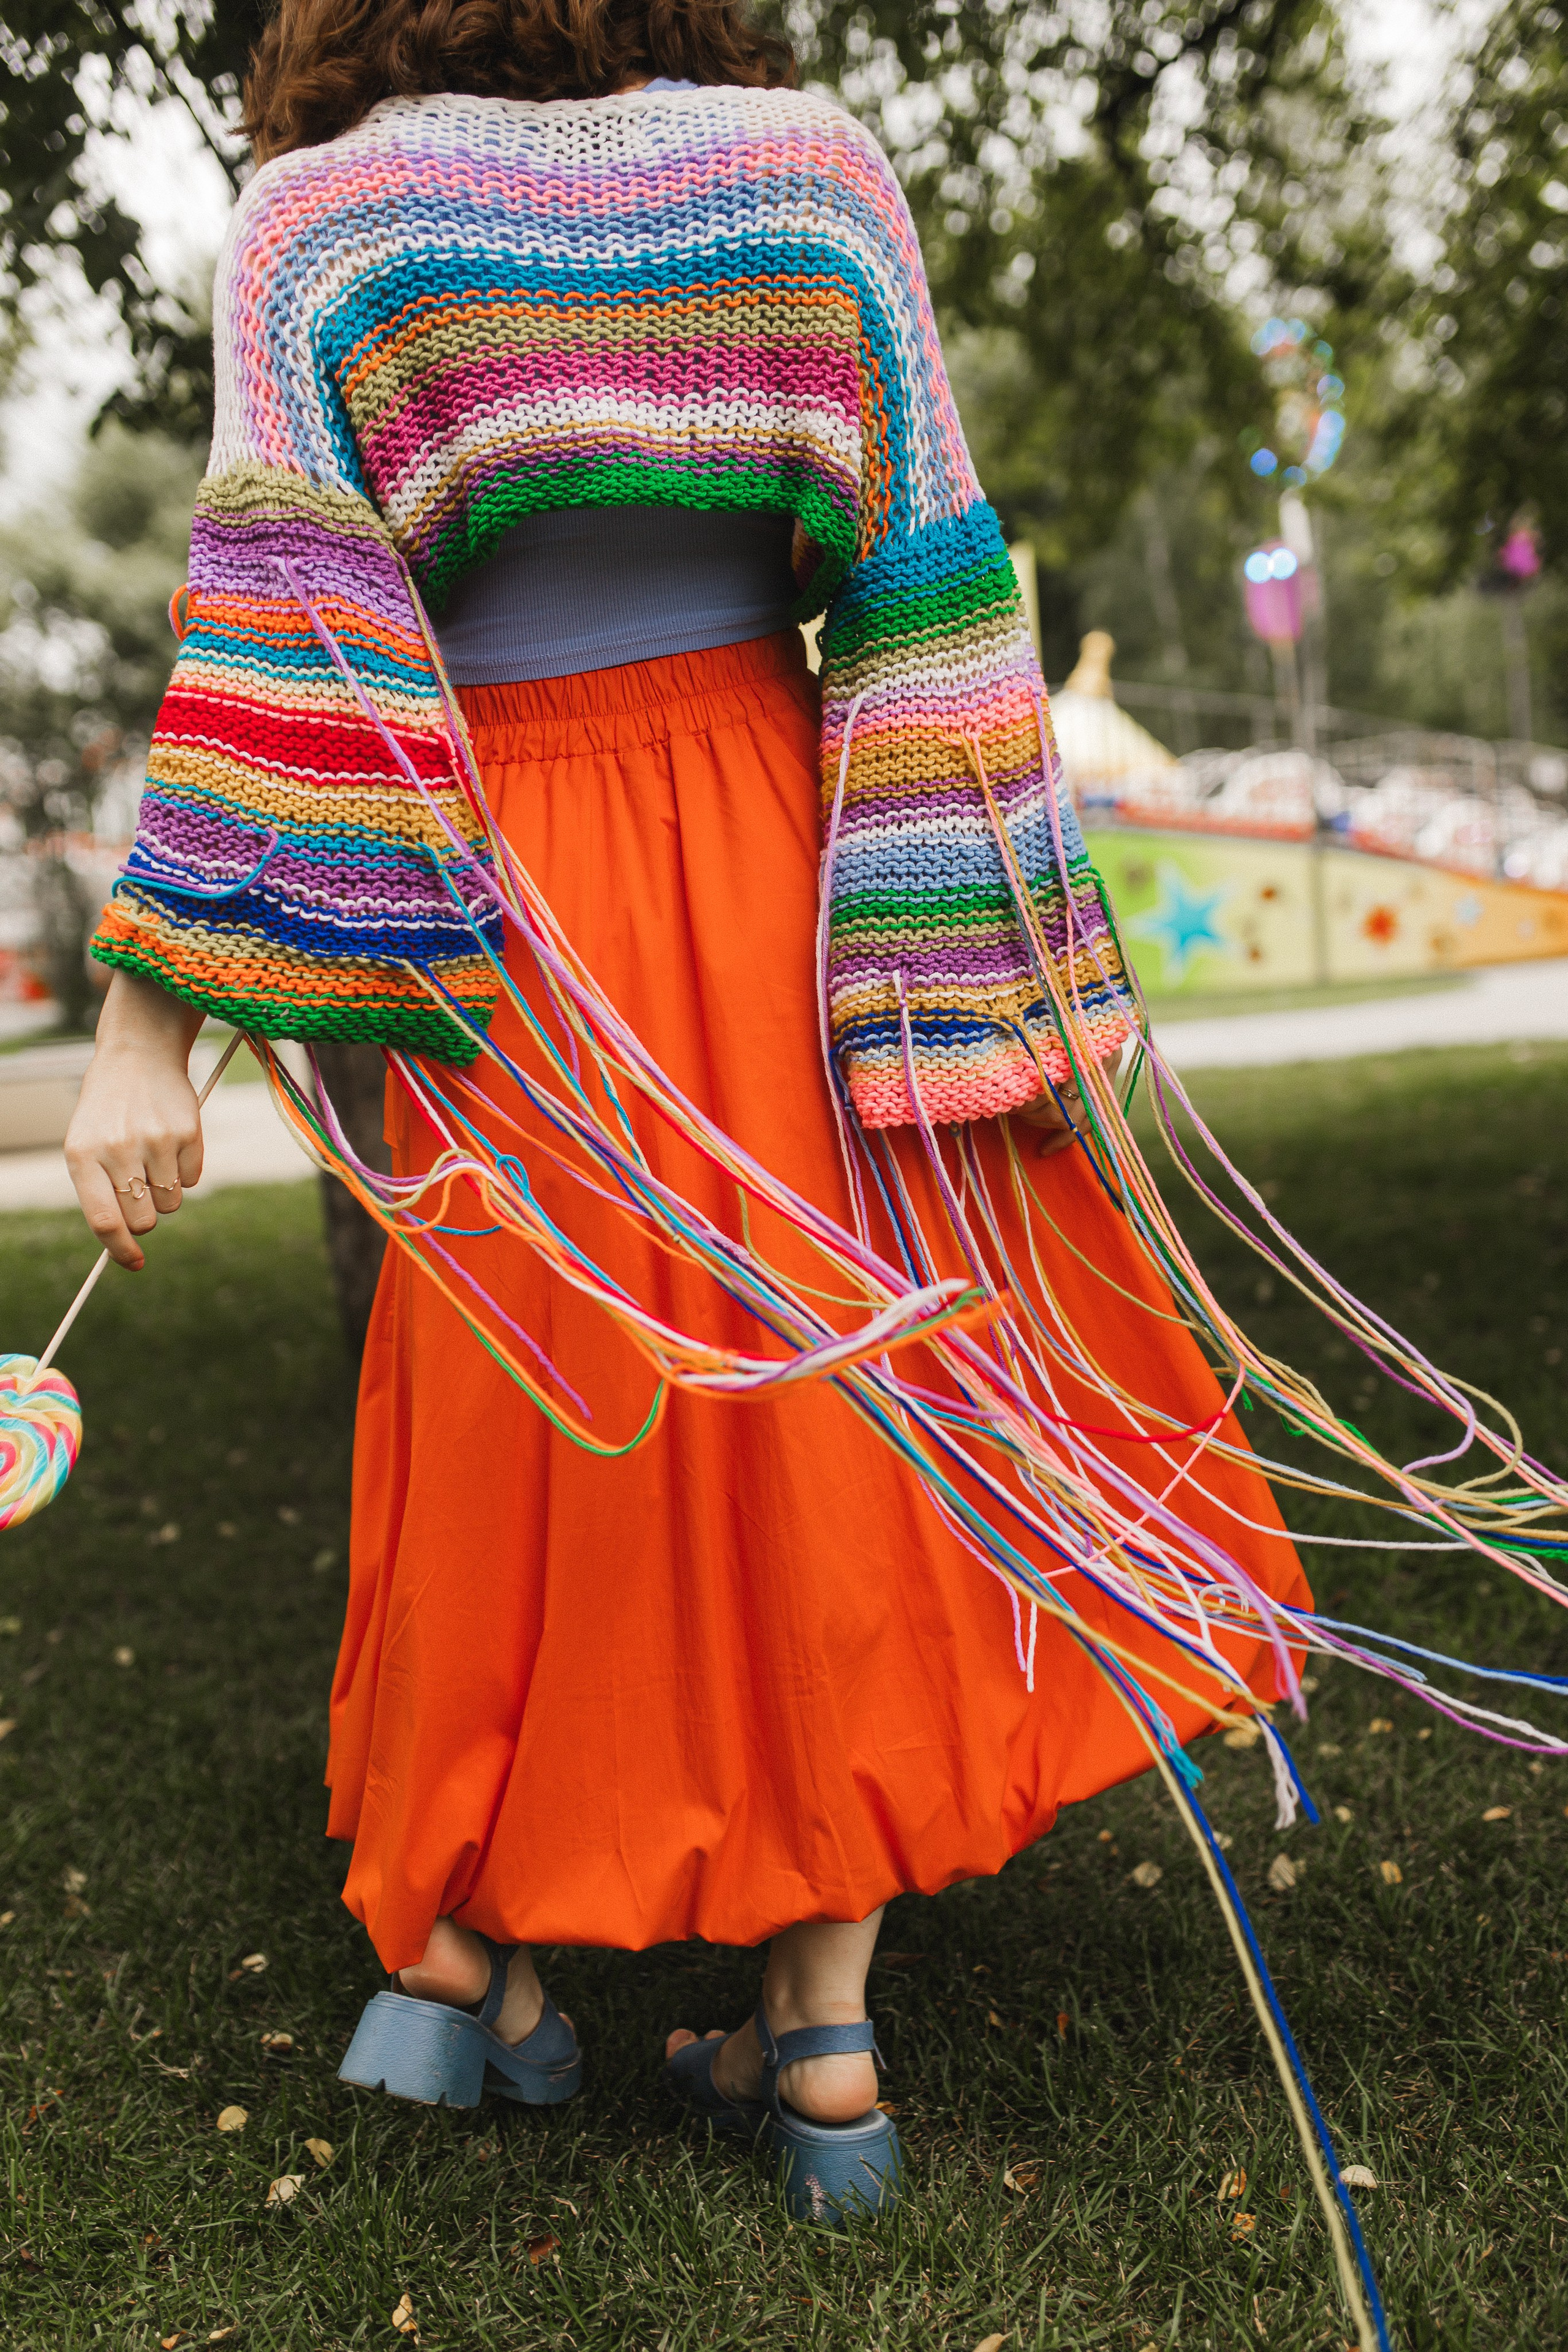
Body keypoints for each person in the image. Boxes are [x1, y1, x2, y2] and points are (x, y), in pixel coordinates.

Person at [64, 0, 1308, 2222]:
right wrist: (1001, 965)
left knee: (532, 1395)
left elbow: (282, 637)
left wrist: (147, 1039)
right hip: (778, 848)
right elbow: (931, 572)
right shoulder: (810, 172)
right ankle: (822, 2037)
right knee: (824, 1394)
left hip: (510, 907)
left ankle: (467, 1960)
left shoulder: (314, 223)